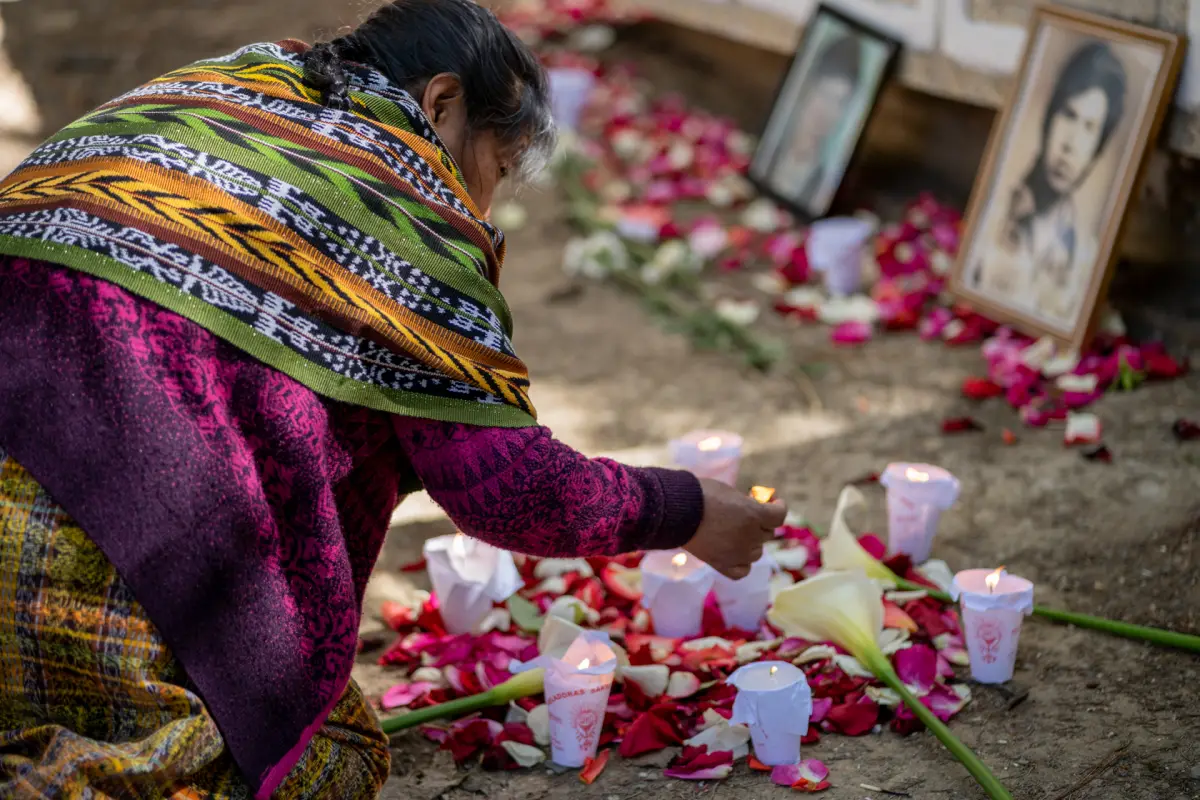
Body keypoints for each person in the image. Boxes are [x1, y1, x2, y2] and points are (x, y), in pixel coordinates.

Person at [0, 1, 786, 797]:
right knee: (322, 761)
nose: (483, 206)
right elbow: (509, 489)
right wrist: (684, 511)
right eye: (496, 169)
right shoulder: (401, 210)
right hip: (88, 559)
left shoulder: (222, 86)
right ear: (441, 104)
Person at [967, 40, 1126, 326]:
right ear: (1049, 119)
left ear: (1097, 149)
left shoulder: (1083, 256)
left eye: (1090, 128)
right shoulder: (993, 211)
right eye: (1069, 115)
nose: (1071, 145)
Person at [770, 32, 862, 211]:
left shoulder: (823, 188)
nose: (827, 112)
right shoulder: (768, 157)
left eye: (840, 103)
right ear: (807, 90)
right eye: (824, 95)